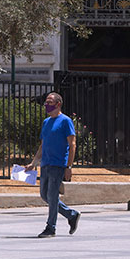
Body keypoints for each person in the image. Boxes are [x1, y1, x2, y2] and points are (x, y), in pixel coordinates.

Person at [24, 92, 81, 237]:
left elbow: (72, 144)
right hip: (46, 164)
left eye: (49, 102)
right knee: (45, 195)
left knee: (52, 194)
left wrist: (68, 167)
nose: (46, 105)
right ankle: (71, 214)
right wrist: (33, 163)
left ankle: (51, 227)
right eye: (46, 102)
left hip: (58, 164)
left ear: (58, 104)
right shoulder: (46, 122)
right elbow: (43, 145)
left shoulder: (66, 121)